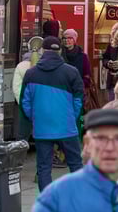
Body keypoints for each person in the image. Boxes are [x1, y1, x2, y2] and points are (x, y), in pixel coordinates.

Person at [21, 36, 85, 191]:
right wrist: (71, 116)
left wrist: (35, 118)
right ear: (60, 51)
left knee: (44, 167)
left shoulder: (31, 74)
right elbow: (79, 99)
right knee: (75, 164)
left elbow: (25, 102)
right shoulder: (72, 72)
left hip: (42, 128)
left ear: (43, 50)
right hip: (66, 126)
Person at [12, 38, 43, 141]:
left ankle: (19, 156)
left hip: (27, 107)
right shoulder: (46, 66)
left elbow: (17, 88)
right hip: (43, 108)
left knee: (22, 137)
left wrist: (23, 104)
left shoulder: (21, 66)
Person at [61, 29, 95, 109]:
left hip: (78, 92)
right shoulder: (60, 55)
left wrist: (78, 85)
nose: (66, 40)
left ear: (74, 40)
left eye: (69, 38)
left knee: (79, 117)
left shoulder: (83, 56)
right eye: (64, 38)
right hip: (63, 92)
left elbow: (87, 76)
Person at [102, 22, 118, 101]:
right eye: (115, 33)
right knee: (112, 105)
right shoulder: (111, 45)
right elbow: (105, 58)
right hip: (112, 82)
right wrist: (108, 63)